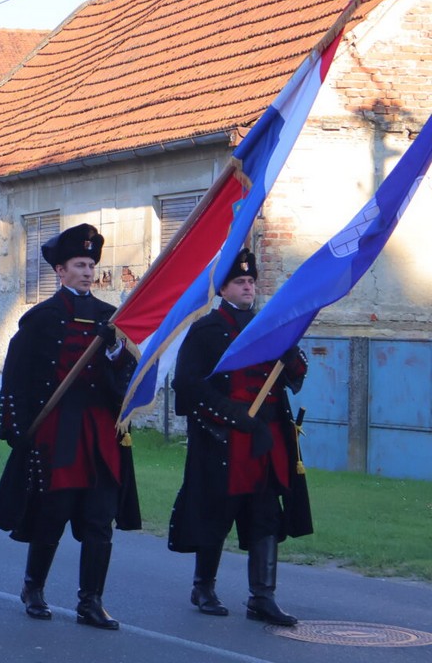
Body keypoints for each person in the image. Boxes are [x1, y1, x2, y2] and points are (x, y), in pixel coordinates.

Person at [0, 223, 139, 631]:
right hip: (57, 431)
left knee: (99, 520)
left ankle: (91, 601)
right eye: (79, 264)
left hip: (102, 433)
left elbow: (127, 377)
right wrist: (17, 431)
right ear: (60, 270)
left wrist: (118, 355)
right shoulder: (41, 319)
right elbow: (15, 379)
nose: (88, 272)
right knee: (51, 515)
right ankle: (33, 587)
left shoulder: (112, 319)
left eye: (91, 265)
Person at [169, 249, 310, 626]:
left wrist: (291, 345)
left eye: (251, 281)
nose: (248, 287)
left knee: (266, 516)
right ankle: (204, 587)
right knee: (217, 514)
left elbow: (294, 377)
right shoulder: (207, 331)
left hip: (267, 440)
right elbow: (187, 386)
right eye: (240, 282)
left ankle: (262, 597)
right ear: (224, 289)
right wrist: (233, 417)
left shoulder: (269, 325)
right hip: (224, 439)